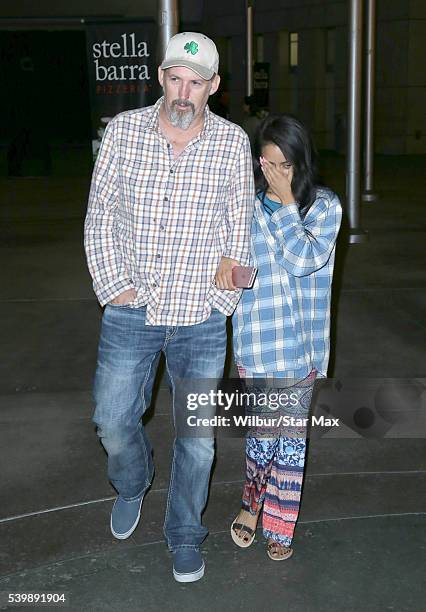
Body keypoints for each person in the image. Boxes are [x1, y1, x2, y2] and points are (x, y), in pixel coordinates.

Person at [84, 31, 254, 583]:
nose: (184, 92)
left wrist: (222, 300)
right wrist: (115, 289)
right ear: (161, 77)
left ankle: (184, 533)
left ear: (214, 87)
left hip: (201, 319)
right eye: (176, 78)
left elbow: (239, 227)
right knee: (111, 420)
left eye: (197, 83)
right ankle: (133, 482)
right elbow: (99, 217)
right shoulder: (124, 133)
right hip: (132, 307)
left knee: (198, 442)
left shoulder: (231, 144)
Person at [230, 114, 342, 560]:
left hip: (301, 346)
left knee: (291, 441)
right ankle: (252, 505)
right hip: (258, 342)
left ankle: (278, 522)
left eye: (285, 165)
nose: (275, 174)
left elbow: (302, 260)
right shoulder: (248, 207)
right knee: (263, 435)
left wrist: (286, 205)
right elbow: (237, 265)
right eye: (267, 164)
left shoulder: (325, 207)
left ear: (302, 163)